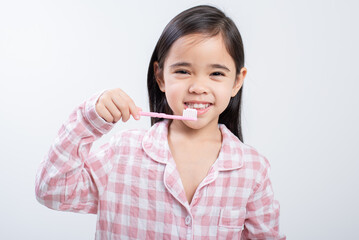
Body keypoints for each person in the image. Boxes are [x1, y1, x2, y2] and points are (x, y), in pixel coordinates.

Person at [35, 5, 285, 239]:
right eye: (183, 71)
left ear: (237, 82)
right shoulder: (122, 153)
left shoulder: (253, 170)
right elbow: (52, 190)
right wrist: (89, 118)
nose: (198, 87)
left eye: (216, 73)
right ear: (160, 76)